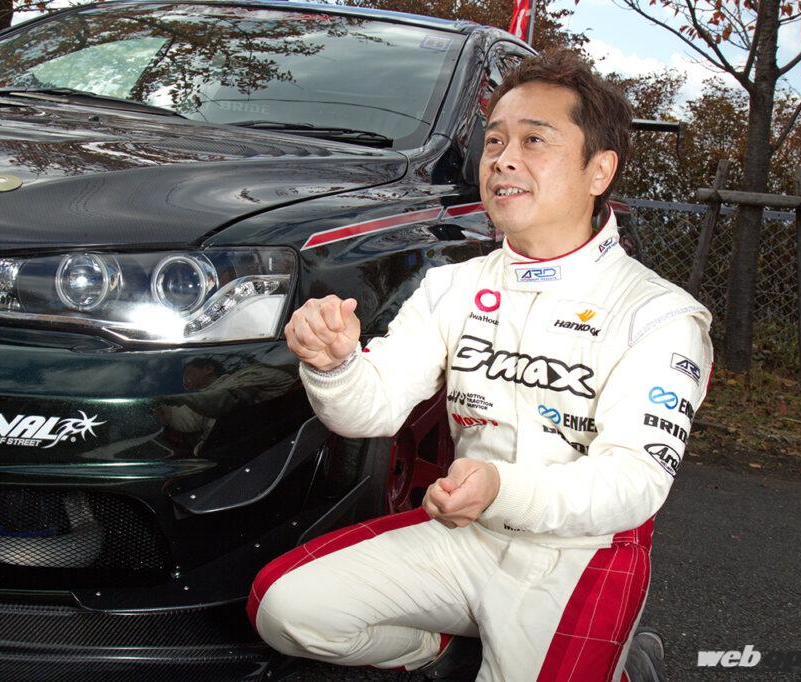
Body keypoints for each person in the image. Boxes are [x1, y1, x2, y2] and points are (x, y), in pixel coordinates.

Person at [247, 49, 712, 681]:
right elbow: (370, 411)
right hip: (468, 531)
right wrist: (335, 365)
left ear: (599, 170)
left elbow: (635, 483)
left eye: (534, 140)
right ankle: (448, 651)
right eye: (494, 141)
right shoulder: (454, 284)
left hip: (584, 553)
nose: (503, 159)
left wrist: (501, 489)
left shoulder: (660, 315)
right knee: (284, 608)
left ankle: (624, 667)